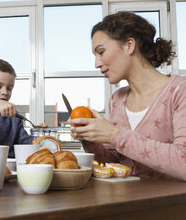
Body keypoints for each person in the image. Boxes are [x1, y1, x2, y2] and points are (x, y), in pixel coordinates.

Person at [68, 11, 186, 181]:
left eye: (101, 52)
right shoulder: (117, 100)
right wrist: (91, 139)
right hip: (126, 203)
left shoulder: (179, 91)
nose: (96, 64)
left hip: (170, 206)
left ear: (129, 45)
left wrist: (114, 135)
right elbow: (116, 164)